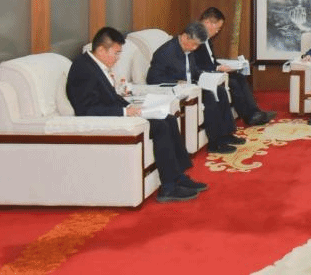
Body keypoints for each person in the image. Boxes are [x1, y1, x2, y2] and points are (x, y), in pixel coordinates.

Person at [66, 27, 207, 203]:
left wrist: (130, 106)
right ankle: (168, 187)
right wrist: (124, 112)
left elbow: (110, 97)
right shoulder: (83, 69)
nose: (118, 58)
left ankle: (178, 176)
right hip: (108, 121)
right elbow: (86, 110)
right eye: (116, 53)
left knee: (168, 118)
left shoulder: (95, 64)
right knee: (161, 126)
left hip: (118, 113)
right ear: (101, 50)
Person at [147, 21, 242, 154]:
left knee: (220, 90)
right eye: (194, 44)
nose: (195, 48)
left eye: (198, 45)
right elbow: (152, 79)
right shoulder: (165, 52)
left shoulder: (188, 49)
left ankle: (226, 134)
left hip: (192, 86)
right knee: (209, 97)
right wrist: (176, 82)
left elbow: (193, 70)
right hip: (175, 90)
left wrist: (207, 75)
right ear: (185, 37)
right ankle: (215, 143)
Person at [194, 7, 276, 127]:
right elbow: (196, 65)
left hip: (213, 71)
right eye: (217, 28)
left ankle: (255, 112)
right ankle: (249, 116)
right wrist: (217, 69)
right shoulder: (194, 39)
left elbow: (211, 61)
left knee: (239, 77)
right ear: (207, 23)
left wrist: (222, 66)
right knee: (233, 83)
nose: (217, 32)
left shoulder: (207, 39)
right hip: (205, 76)